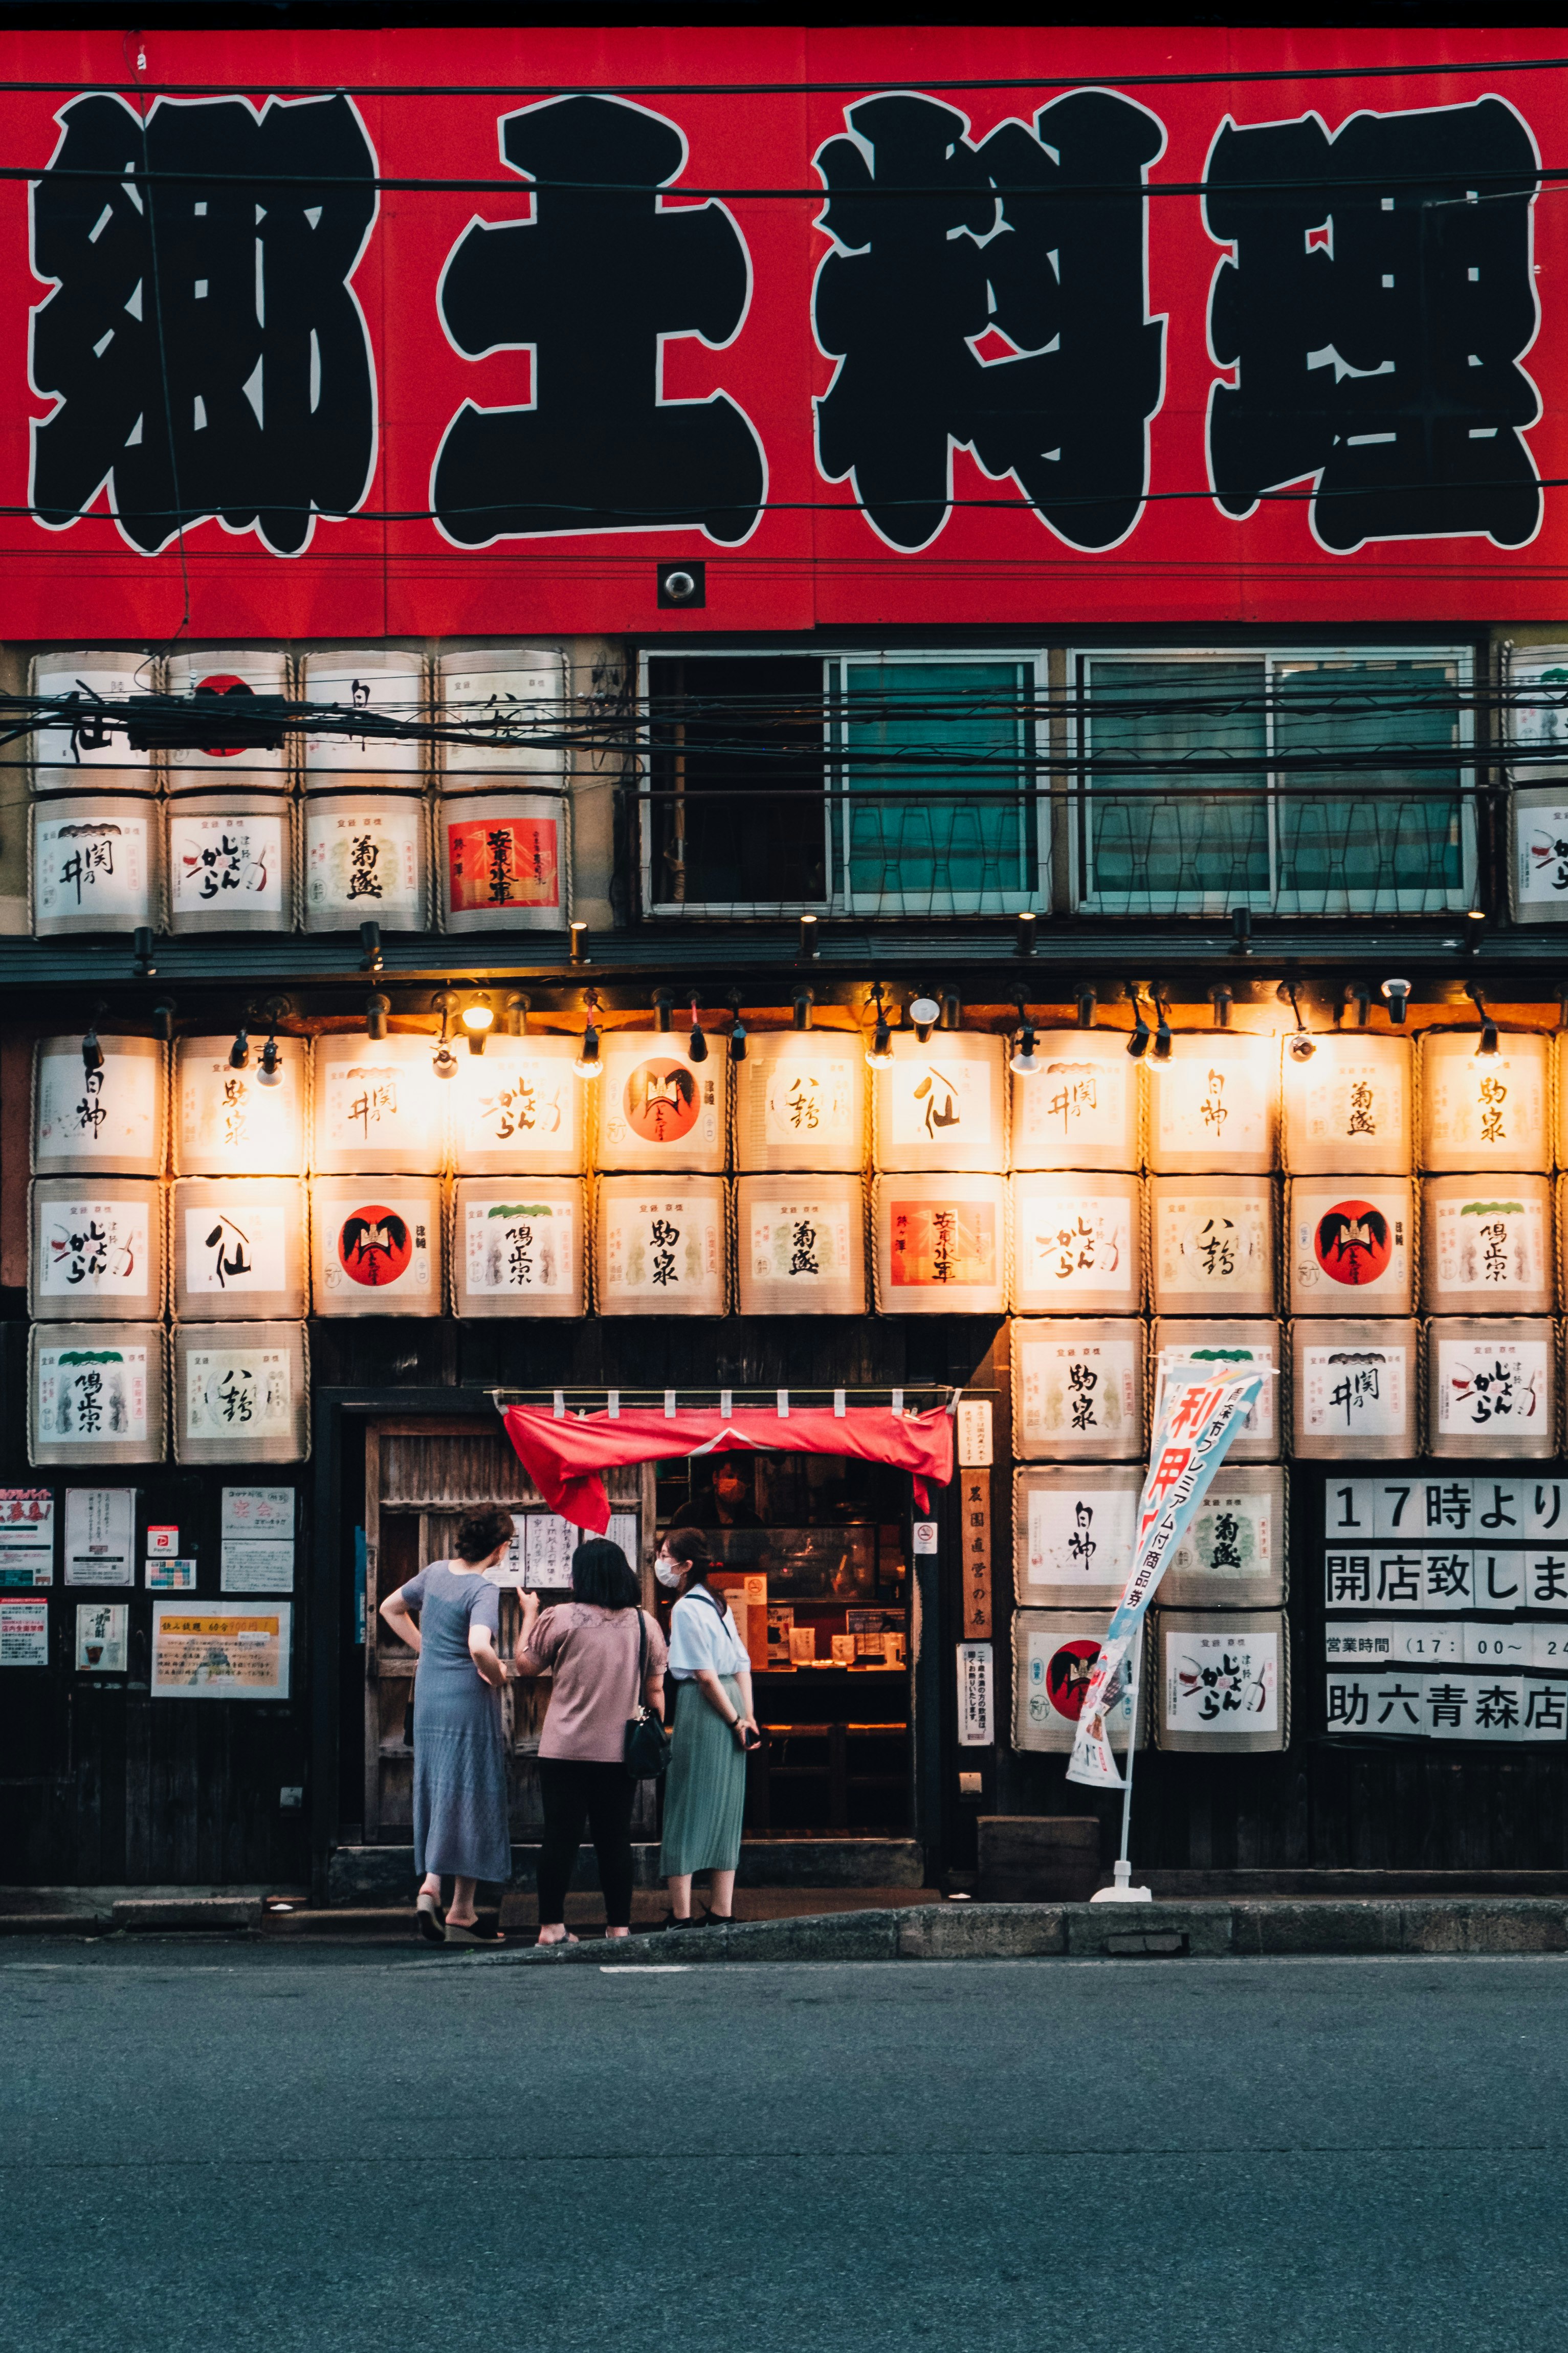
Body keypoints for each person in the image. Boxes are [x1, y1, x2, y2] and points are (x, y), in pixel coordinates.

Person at [514, 1537, 668, 1945]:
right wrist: (653, 1732)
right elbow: (655, 1692)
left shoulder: (560, 1617)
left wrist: (528, 1615)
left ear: (580, 1576)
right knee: (614, 1839)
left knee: (559, 1837)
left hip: (563, 1749)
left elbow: (525, 1664)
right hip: (619, 1751)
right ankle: (619, 1927)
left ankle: (550, 1927)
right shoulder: (644, 1623)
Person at [380, 1506, 515, 1946]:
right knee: (473, 1789)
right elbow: (480, 1646)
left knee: (441, 1785)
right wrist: (498, 1674)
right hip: (466, 1700)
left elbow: (390, 1608)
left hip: (430, 1696)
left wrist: (429, 1647)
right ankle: (459, 1908)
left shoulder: (435, 1572)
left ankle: (434, 1887)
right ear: (497, 1548)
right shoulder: (482, 1589)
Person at [656, 1529, 758, 1927]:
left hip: (704, 1708)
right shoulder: (717, 1602)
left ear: (685, 1565)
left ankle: (681, 1914)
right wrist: (747, 1717)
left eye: (665, 1555)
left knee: (684, 1804)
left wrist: (735, 1721)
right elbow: (742, 1662)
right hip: (732, 1699)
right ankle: (722, 1909)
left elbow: (702, 1675)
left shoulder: (682, 1608)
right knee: (725, 1807)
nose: (660, 1562)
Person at [668, 1454, 763, 1534]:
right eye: (730, 1477)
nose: (736, 1483)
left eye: (742, 1479)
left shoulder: (753, 1521)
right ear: (715, 1478)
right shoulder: (689, 1514)